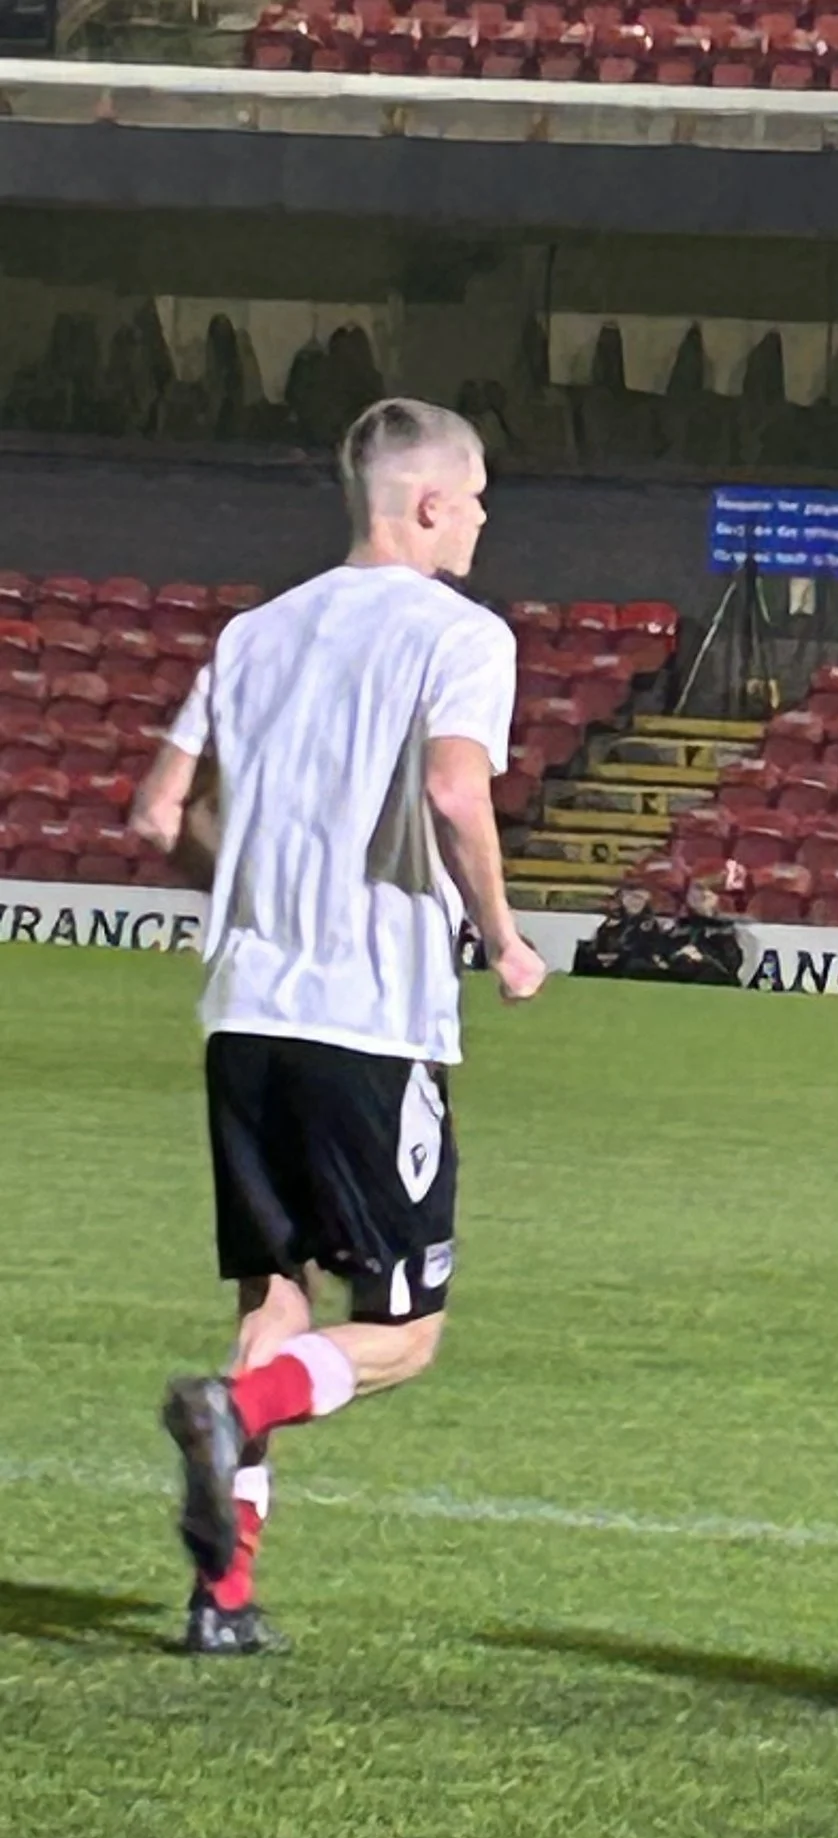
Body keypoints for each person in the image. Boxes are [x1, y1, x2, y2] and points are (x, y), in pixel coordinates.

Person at [133, 395, 545, 1656]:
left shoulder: (254, 632)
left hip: (245, 1014)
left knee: (277, 1292)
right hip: (369, 1019)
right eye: (475, 497)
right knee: (406, 1334)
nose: (481, 518)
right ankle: (236, 1407)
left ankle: (225, 1599)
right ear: (427, 501)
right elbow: (451, 783)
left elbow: (161, 814)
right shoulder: (458, 634)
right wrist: (504, 931)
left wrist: (253, 893)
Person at [652, 876, 746, 987]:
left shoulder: (724, 928)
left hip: (713, 981)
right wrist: (679, 955)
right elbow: (660, 955)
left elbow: (730, 965)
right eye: (697, 890)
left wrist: (701, 957)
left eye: (707, 893)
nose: (702, 896)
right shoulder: (681, 926)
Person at [574, 877, 662, 979]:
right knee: (583, 952)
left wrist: (616, 956)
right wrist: (598, 953)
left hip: (633, 961)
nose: (636, 902)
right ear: (623, 897)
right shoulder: (615, 917)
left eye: (640, 899)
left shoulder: (647, 922)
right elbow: (601, 939)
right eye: (633, 897)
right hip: (610, 957)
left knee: (633, 963)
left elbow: (642, 950)